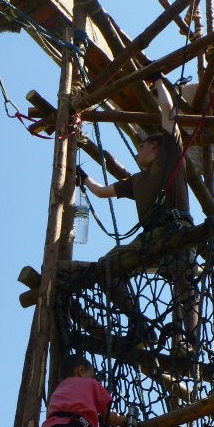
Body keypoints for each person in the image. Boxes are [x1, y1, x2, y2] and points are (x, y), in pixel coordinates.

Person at [77, 77, 199, 353]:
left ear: (155, 146)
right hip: (150, 239)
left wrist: (158, 82)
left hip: (176, 229)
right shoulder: (136, 181)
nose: (137, 149)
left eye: (142, 145)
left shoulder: (170, 154)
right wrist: (83, 178)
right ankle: (140, 326)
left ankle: (187, 341)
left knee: (184, 279)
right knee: (109, 268)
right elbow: (101, 191)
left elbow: (168, 115)